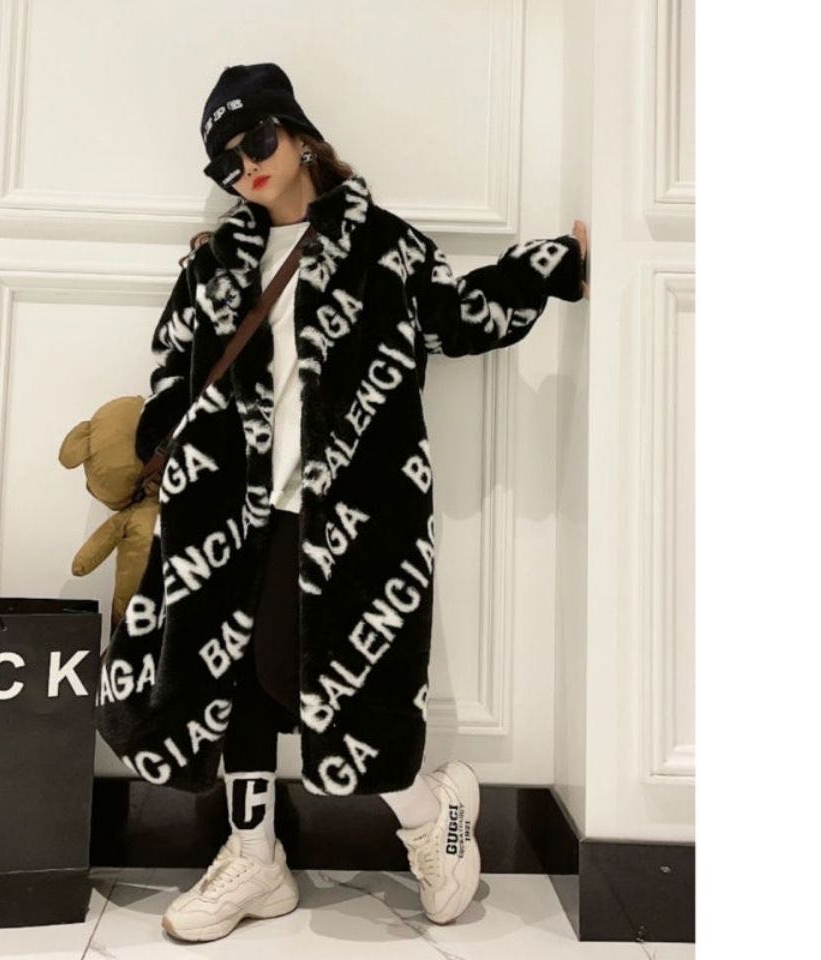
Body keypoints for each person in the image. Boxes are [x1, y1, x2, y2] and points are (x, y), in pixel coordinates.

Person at [97, 62, 589, 944]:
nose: (245, 165)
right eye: (224, 160)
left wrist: (552, 266)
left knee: (309, 674)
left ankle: (431, 812)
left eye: (256, 139)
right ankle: (255, 856)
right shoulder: (215, 263)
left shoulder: (382, 245)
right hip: (226, 509)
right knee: (234, 679)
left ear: (297, 133)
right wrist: (167, 438)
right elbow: (172, 364)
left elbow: (458, 316)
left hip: (352, 511)